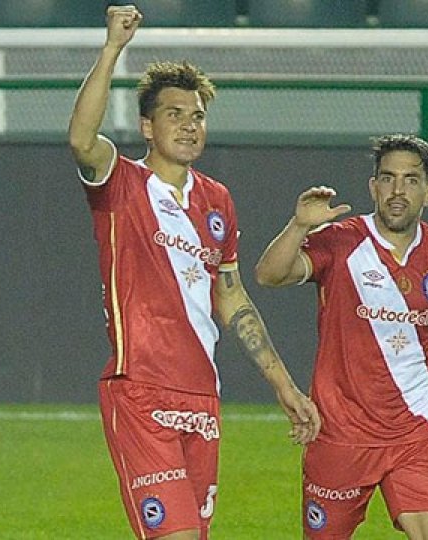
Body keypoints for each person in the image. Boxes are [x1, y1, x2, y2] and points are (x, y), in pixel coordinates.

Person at [68, 5, 320, 539]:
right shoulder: (123, 186)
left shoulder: (216, 201)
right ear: (146, 126)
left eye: (198, 115)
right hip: (139, 392)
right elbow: (81, 141)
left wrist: (284, 386)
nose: (188, 125)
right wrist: (113, 48)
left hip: (202, 397)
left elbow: (232, 299)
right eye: (174, 114)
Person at [255, 134, 428, 539]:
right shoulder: (342, 241)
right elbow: (269, 274)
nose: (398, 191)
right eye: (387, 179)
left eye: (411, 180)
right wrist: (299, 225)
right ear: (373, 187)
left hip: (415, 431)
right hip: (340, 433)